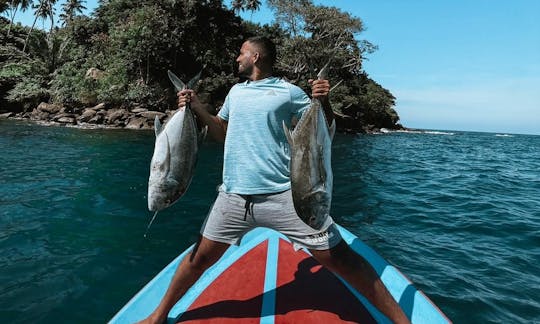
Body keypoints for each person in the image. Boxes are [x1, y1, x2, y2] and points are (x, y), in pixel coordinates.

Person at [139, 36, 410, 324]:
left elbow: (323, 127)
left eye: (241, 53)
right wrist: (195, 107)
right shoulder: (235, 92)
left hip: (285, 196)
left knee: (342, 258)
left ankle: (403, 322)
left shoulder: (288, 92)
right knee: (198, 259)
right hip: (233, 197)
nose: (236, 59)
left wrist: (323, 99)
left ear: (255, 56)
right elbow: (221, 132)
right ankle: (159, 315)